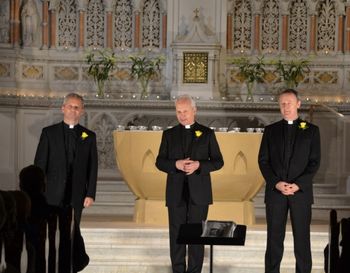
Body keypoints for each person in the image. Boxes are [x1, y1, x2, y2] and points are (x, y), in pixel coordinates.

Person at [156, 94, 224, 273]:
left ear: (194, 110)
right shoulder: (169, 134)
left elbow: (218, 161)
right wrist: (175, 164)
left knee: (196, 234)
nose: (182, 115)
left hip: (199, 194)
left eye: (185, 111)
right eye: (179, 111)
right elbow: (160, 162)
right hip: (175, 193)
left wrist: (199, 165)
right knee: (176, 234)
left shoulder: (207, 133)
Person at [258, 89, 321, 273]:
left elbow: (314, 162)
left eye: (289, 103)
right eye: (282, 104)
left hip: (300, 193)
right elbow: (263, 161)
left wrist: (298, 184)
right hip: (275, 193)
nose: (285, 107)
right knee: (274, 240)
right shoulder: (270, 130)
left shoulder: (312, 131)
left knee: (302, 239)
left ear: (298, 104)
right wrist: (276, 183)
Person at [34, 93, 98, 273]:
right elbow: (39, 165)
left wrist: (90, 193)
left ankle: (70, 266)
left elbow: (93, 168)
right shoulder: (49, 133)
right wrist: (39, 193)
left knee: (72, 233)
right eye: (70, 106)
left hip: (76, 196)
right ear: (63, 108)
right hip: (51, 195)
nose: (73, 110)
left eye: (77, 107)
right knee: (52, 233)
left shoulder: (89, 136)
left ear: (82, 111)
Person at [19, 165, 49, 273]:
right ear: (44, 186)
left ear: (21, 187)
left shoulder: (14, 222)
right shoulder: (62, 215)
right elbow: (81, 260)